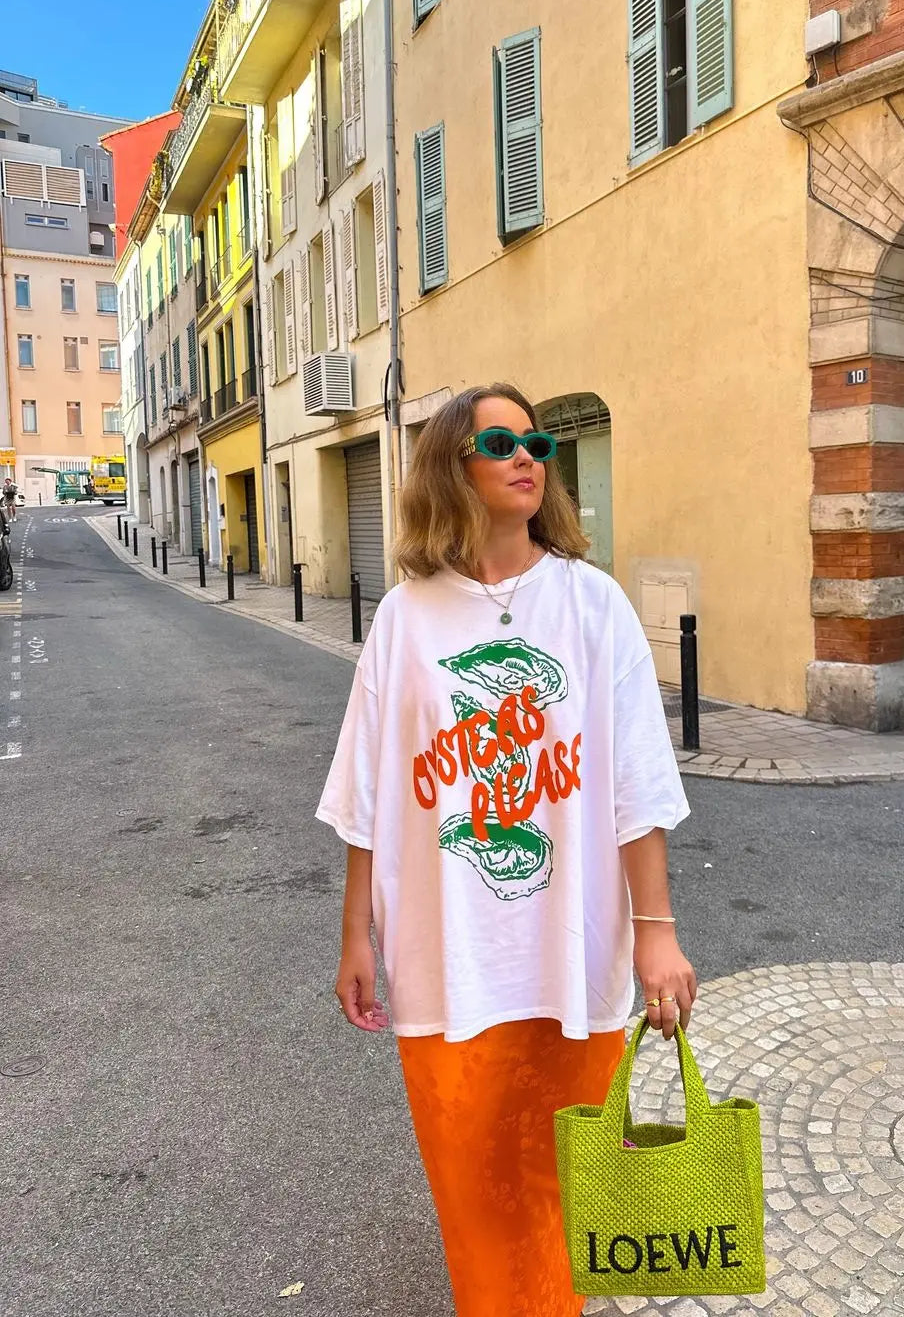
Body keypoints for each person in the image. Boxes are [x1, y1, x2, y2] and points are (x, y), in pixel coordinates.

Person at [317, 383, 695, 1317]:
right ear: (453, 465)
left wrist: (657, 931)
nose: (527, 456)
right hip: (449, 963)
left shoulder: (593, 604)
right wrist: (356, 933)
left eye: (538, 443)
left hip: (574, 958)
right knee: (476, 1192)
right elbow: (368, 791)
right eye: (501, 443)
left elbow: (637, 783)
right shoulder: (405, 618)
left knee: (566, 1184)